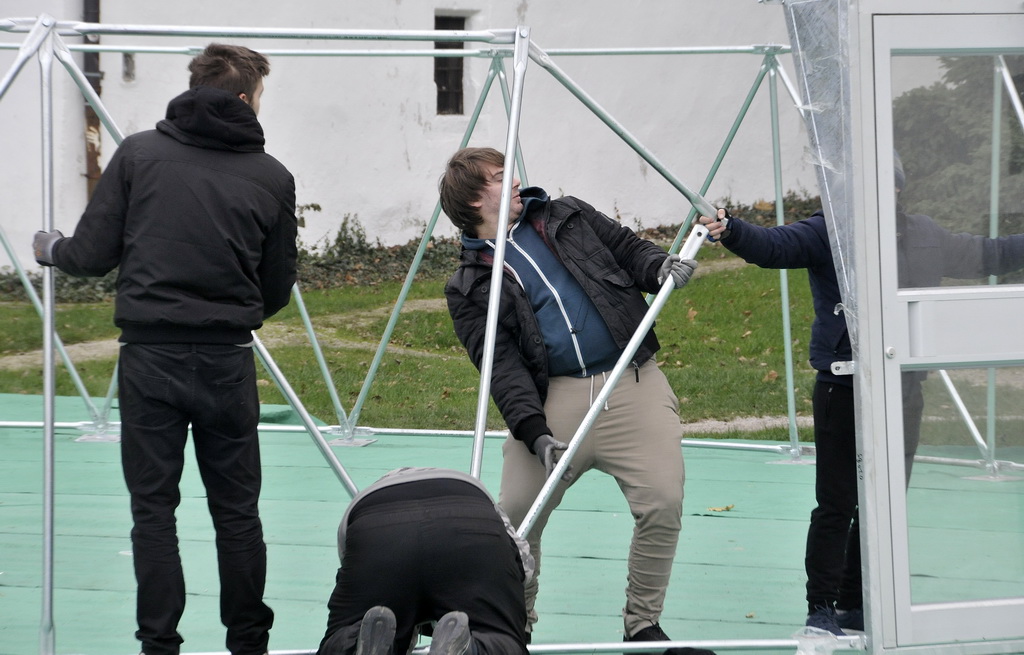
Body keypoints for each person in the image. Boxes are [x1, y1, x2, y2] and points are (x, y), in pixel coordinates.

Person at [33, 43, 298, 655]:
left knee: (154, 512)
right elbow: (276, 285)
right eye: (260, 94)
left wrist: (52, 248)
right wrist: (233, 311)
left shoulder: (139, 156)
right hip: (227, 360)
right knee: (237, 512)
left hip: (150, 360)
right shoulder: (271, 176)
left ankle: (159, 646)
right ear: (243, 97)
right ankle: (249, 643)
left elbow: (92, 255)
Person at [697, 153, 1024, 636]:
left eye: (887, 187)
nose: (878, 197)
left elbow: (990, 255)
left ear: (898, 191)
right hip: (842, 386)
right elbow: (771, 246)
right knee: (837, 503)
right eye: (866, 189)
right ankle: (821, 611)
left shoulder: (925, 235)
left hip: (904, 387)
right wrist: (731, 229)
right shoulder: (827, 231)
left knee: (887, 498)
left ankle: (855, 604)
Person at [439, 147, 713, 655]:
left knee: (663, 502)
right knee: (516, 520)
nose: (517, 180)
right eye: (502, 177)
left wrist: (659, 268)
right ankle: (511, 629)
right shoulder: (470, 283)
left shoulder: (567, 216)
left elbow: (630, 251)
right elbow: (501, 368)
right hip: (553, 403)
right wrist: (535, 432)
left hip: (630, 382)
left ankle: (643, 625)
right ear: (475, 199)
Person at [317, 467, 534, 655]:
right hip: (469, 521)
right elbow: (523, 561)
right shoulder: (485, 502)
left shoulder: (361, 508)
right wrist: (516, 623)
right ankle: (473, 649)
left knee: (350, 630)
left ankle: (353, 646)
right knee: (498, 636)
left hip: (377, 531)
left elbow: (354, 568)